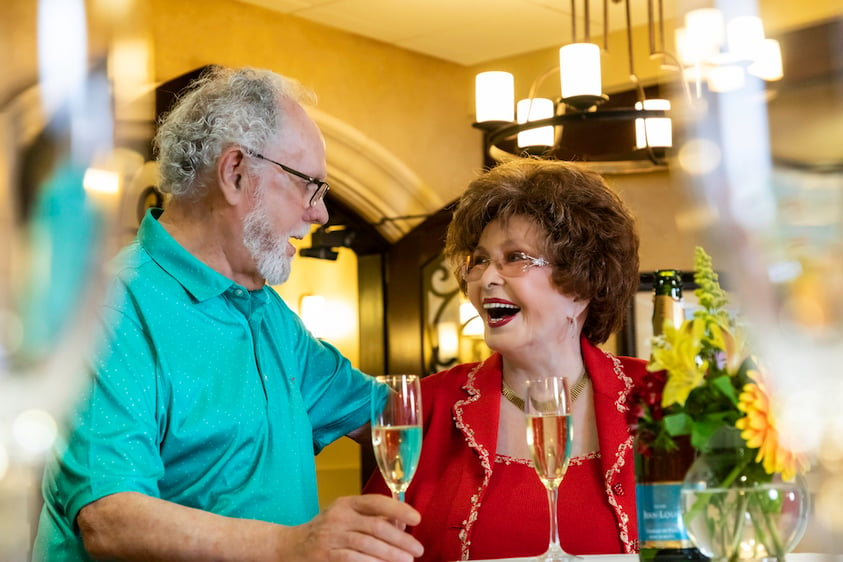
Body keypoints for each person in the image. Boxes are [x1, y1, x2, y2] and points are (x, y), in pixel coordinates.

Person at [33, 66, 423, 562]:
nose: (321, 214)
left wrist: (525, 364)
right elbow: (110, 518)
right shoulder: (108, 308)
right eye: (310, 186)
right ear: (235, 172)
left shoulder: (266, 311)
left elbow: (391, 414)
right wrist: (294, 545)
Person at [365, 158, 646, 560]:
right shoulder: (427, 406)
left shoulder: (659, 397)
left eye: (515, 257)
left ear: (581, 287)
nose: (485, 278)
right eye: (479, 260)